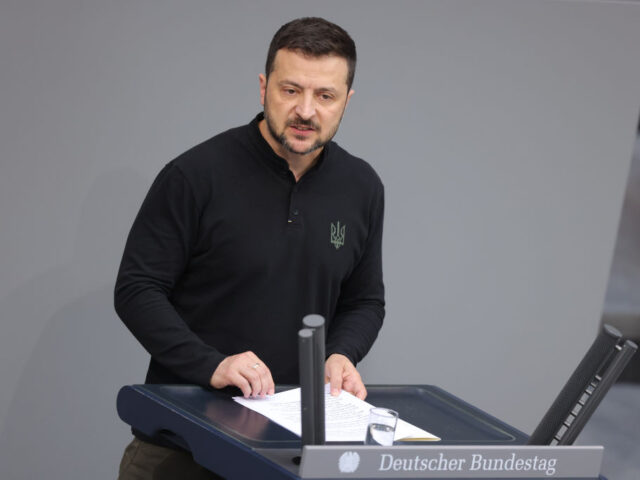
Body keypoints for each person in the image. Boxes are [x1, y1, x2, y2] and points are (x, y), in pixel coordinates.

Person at [115, 17, 385, 479]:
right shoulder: (195, 175)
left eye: (325, 96)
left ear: (346, 101)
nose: (305, 111)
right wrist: (212, 364)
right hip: (183, 448)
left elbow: (365, 300)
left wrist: (341, 354)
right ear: (263, 88)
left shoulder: (362, 187)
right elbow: (137, 289)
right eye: (290, 90)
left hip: (292, 454)